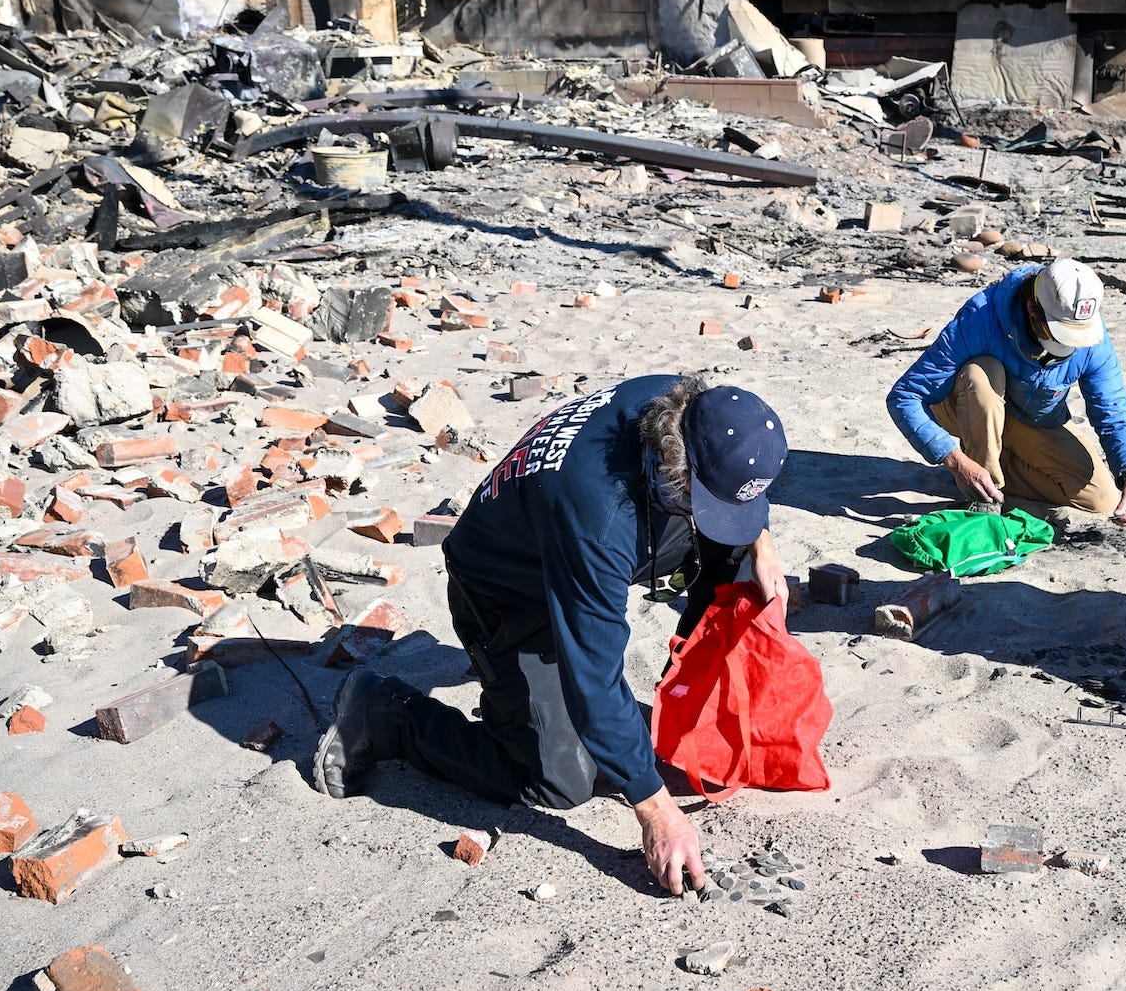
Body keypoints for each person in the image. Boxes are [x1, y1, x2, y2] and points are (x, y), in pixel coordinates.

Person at [311, 376, 789, 895]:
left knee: (734, 563)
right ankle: (386, 715)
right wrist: (656, 811)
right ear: (673, 458)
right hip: (506, 590)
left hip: (568, 530)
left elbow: (733, 489)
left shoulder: (686, 406)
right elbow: (596, 679)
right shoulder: (598, 518)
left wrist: (760, 546)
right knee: (559, 779)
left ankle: (688, 703)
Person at [886, 258, 1126, 524]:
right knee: (983, 372)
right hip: (966, 407)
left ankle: (985, 469)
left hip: (1032, 419)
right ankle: (984, 497)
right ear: (1032, 308)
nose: (1067, 346)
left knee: (1101, 499)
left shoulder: (1092, 337)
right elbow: (905, 397)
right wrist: (953, 461)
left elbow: (1114, 412)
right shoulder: (981, 316)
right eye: (1058, 334)